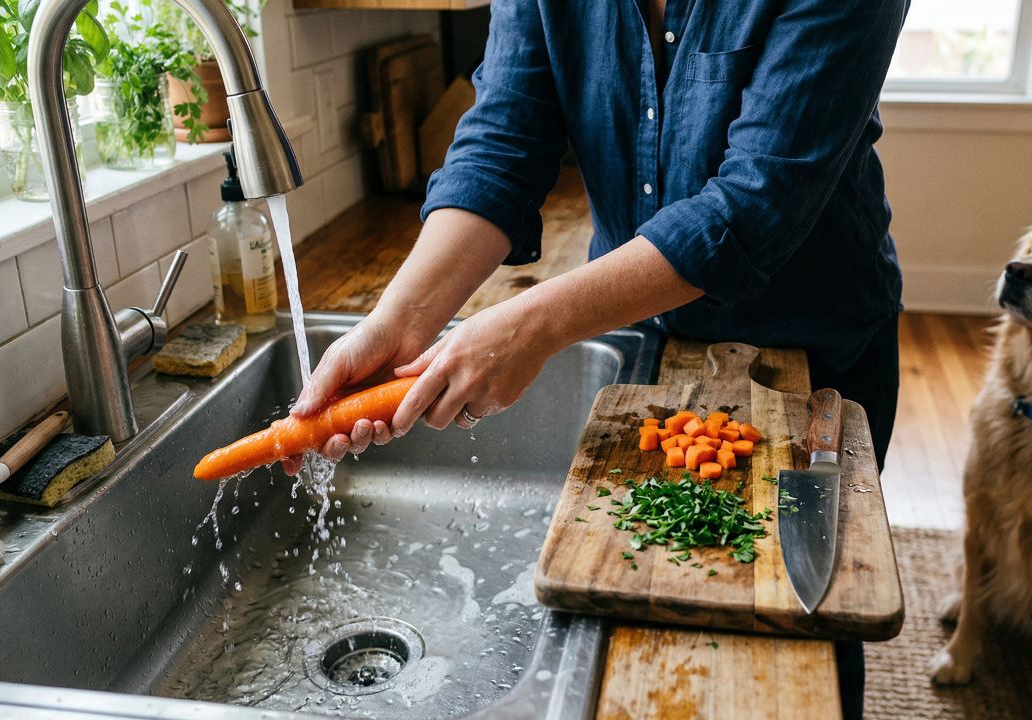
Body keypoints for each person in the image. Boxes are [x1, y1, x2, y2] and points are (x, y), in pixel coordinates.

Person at [287, 2, 907, 717]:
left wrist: (528, 328)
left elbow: (754, 200)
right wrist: (400, 320)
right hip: (633, 324)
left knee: (805, 625)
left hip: (809, 347)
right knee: (646, 609)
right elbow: (504, 139)